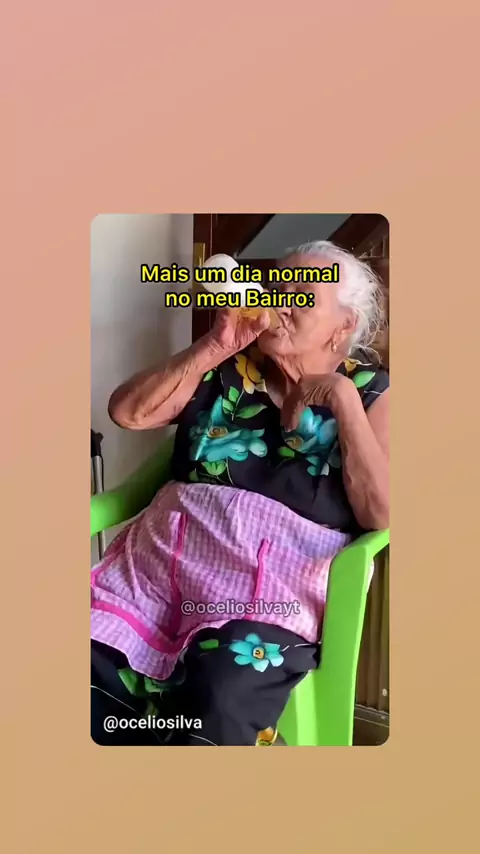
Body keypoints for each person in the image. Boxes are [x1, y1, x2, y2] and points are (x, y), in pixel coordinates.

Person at [91, 240, 389, 746]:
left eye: (303, 295)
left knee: (221, 693)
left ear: (344, 326)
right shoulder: (228, 365)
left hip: (265, 598)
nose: (281, 302)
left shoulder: (368, 391)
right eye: (277, 289)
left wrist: (342, 400)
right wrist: (215, 344)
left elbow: (381, 512)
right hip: (153, 576)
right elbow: (128, 413)